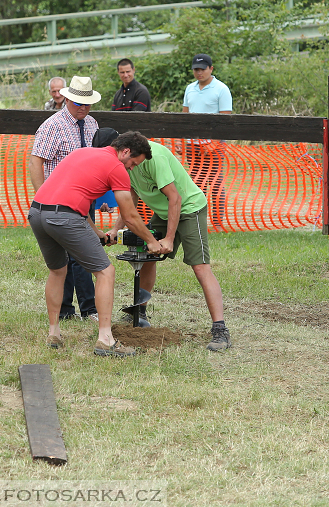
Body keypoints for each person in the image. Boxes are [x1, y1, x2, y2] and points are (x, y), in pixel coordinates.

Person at [29, 131, 168, 357]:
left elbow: (75, 202)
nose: (132, 169)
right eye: (133, 163)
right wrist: (151, 241)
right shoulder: (116, 168)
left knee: (57, 271)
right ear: (125, 152)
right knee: (106, 272)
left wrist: (98, 234)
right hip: (64, 217)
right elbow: (131, 216)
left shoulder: (83, 153)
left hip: (38, 213)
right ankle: (105, 340)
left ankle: (53, 333)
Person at [109, 140, 231, 351]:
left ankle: (220, 330)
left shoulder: (155, 158)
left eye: (135, 164)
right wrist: (115, 230)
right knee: (147, 258)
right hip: (164, 213)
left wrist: (169, 239)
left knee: (200, 267)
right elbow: (132, 197)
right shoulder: (124, 162)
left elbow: (175, 198)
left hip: (189, 208)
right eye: (131, 164)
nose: (132, 168)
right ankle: (141, 312)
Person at [30, 75, 101, 321]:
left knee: (84, 253)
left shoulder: (92, 124)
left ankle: (88, 309)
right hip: (58, 203)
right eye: (78, 103)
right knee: (63, 259)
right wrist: (43, 197)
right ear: (68, 99)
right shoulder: (52, 125)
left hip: (85, 199)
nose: (83, 108)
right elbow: (36, 160)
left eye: (87, 103)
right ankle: (66, 310)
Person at [182, 53, 231, 230]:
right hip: (193, 146)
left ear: (211, 69)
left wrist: (216, 142)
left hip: (214, 146)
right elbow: (185, 116)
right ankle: (197, 221)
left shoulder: (221, 89)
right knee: (196, 183)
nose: (199, 72)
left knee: (216, 183)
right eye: (196, 69)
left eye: (202, 69)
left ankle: (218, 223)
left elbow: (226, 119)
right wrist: (183, 140)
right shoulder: (190, 89)